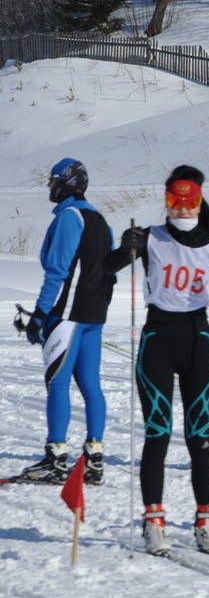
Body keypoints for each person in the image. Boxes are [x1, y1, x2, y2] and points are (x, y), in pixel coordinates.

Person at [110, 167, 209, 556]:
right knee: (158, 432)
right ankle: (154, 522)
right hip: (157, 340)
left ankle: (205, 522)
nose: (182, 209)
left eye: (190, 201)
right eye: (174, 201)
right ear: (166, 200)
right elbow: (105, 269)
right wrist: (123, 247)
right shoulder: (150, 237)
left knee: (200, 436)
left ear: (200, 201)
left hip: (198, 340)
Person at [13, 158, 114, 484]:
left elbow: (57, 271)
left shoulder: (70, 218)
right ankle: (94, 458)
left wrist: (40, 315)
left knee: (57, 382)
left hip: (68, 315)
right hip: (92, 316)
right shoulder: (100, 220)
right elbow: (108, 270)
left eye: (53, 180)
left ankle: (56, 458)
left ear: (68, 182)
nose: (49, 186)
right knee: (90, 385)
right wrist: (97, 309)